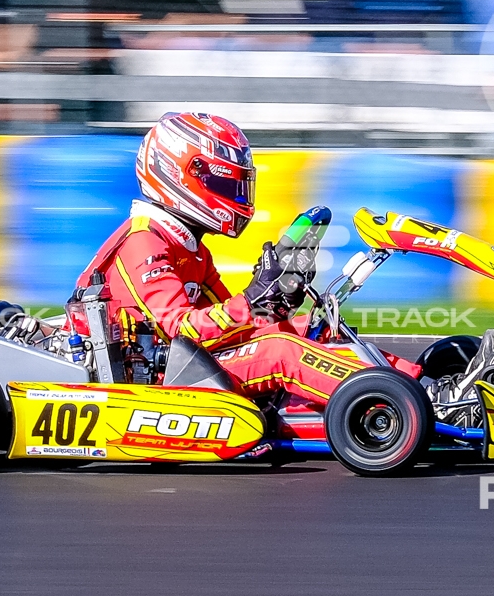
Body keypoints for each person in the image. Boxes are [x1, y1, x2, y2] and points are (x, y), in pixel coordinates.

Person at [64, 111, 420, 404]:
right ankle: (391, 400)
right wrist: (251, 300)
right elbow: (185, 330)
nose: (236, 197)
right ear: (180, 176)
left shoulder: (188, 247)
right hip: (155, 380)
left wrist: (275, 306)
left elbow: (232, 327)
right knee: (281, 350)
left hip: (183, 363)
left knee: (310, 328)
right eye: (226, 185)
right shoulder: (143, 242)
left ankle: (420, 383)